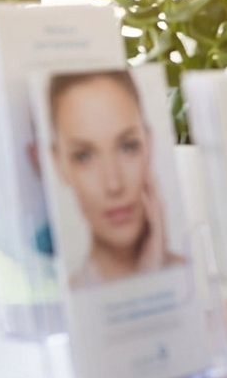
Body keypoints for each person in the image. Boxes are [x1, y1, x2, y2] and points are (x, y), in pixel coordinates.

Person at [49, 70, 185, 289]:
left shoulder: (199, 288)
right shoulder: (57, 308)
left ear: (149, 145)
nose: (114, 184)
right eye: (84, 156)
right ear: (59, 163)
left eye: (128, 146)